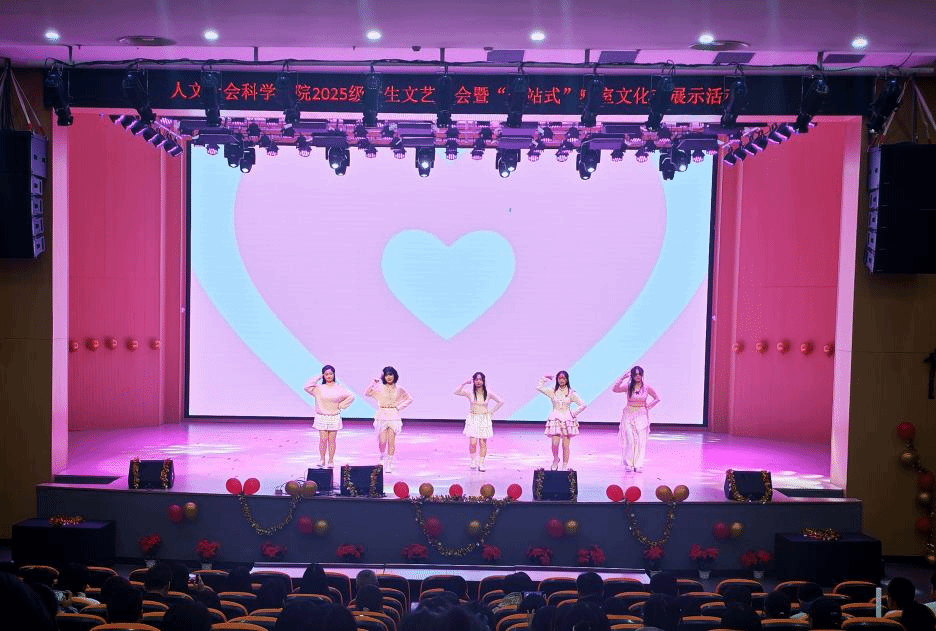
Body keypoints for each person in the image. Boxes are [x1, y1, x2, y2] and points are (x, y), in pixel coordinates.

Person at [304, 364, 355, 468]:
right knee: (323, 440)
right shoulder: (318, 388)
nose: (329, 376)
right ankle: (322, 460)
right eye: (326, 374)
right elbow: (306, 386)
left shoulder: (339, 388)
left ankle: (331, 460)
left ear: (334, 374)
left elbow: (351, 396)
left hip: (334, 417)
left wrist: (341, 406)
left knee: (332, 441)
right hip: (321, 417)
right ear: (323, 375)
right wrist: (319, 376)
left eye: (330, 374)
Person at [364, 366, 413, 473]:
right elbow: (367, 393)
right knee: (382, 441)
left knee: (391, 440)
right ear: (384, 377)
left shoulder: (399, 389)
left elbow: (409, 399)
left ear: (394, 375)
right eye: (386, 375)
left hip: (393, 415)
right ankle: (382, 456)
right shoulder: (380, 388)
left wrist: (399, 407)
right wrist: (373, 383)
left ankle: (389, 464)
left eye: (391, 374)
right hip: (382, 415)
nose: (389, 377)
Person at [612, 366, 659, 472]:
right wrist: (622, 378)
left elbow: (657, 398)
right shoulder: (628, 386)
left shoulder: (647, 387)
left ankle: (638, 464)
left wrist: (648, 406)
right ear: (632, 376)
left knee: (640, 440)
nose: (638, 376)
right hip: (628, 414)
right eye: (635, 374)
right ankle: (629, 463)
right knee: (630, 439)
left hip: (641, 414)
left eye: (639, 374)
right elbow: (615, 389)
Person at [537, 371, 587, 470]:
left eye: (564, 378)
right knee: (555, 443)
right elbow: (539, 388)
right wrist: (544, 378)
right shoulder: (553, 391)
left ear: (567, 379)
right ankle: (556, 459)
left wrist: (573, 413)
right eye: (559, 378)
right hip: (555, 419)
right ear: (557, 379)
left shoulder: (571, 393)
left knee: (565, 445)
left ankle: (564, 466)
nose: (561, 380)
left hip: (567, 421)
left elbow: (583, 405)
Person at [454, 372, 504, 471]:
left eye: (480, 379)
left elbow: (501, 401)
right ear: (473, 381)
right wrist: (464, 383)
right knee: (473, 442)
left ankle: (481, 463)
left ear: (483, 381)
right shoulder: (470, 392)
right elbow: (456, 392)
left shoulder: (488, 393)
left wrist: (491, 412)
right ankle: (473, 461)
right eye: (476, 379)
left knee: (482, 443)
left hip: (484, 419)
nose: (478, 382)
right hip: (473, 418)